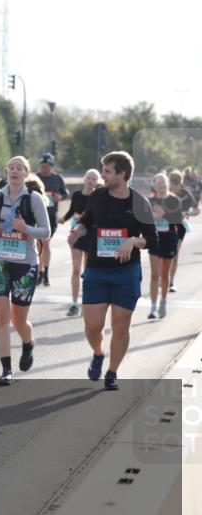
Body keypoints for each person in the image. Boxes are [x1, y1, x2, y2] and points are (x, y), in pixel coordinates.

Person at [69, 151, 157, 390]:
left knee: (121, 325)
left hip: (126, 272)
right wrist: (78, 230)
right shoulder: (98, 196)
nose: (103, 176)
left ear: (122, 174)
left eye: (108, 172)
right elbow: (87, 221)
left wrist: (133, 241)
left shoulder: (139, 203)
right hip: (97, 270)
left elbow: (152, 239)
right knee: (93, 326)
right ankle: (98, 353)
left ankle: (112, 372)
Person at [0, 156, 51, 386]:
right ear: (6, 172)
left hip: (25, 263)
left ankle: (27, 342)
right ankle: (6, 370)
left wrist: (25, 228)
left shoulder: (34, 199)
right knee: (1, 316)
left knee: (19, 320)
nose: (14, 171)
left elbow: (46, 232)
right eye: (11, 167)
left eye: (19, 168)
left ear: (26, 173)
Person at [62, 169, 103, 317]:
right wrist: (62, 219)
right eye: (89, 177)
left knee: (88, 271)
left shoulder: (98, 196)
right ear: (84, 179)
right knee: (76, 268)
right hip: (76, 233)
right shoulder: (77, 195)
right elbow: (72, 210)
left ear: (97, 181)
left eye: (94, 178)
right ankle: (74, 304)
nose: (91, 180)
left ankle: (87, 303)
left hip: (91, 234)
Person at [146, 172, 181, 319]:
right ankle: (153, 308)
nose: (161, 185)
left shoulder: (173, 200)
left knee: (164, 276)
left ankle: (163, 302)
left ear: (167, 184)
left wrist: (164, 215)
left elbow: (178, 220)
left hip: (169, 239)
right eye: (158, 182)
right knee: (154, 275)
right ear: (154, 185)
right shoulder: (150, 201)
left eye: (163, 182)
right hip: (155, 239)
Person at [36, 153, 69, 286]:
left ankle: (46, 273)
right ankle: (40, 272)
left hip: (51, 214)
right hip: (37, 215)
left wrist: (59, 197)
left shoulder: (57, 178)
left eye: (47, 167)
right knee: (39, 244)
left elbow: (65, 193)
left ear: (51, 167)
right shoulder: (36, 178)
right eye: (42, 166)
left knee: (46, 243)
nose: (44, 169)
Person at [167, 170, 199, 293]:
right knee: (162, 254)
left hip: (180, 227)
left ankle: (171, 282)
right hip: (165, 226)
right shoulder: (165, 193)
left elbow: (197, 210)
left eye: (177, 184)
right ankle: (163, 277)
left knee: (174, 254)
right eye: (172, 183)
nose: (174, 186)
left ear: (180, 183)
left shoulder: (185, 194)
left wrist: (187, 213)